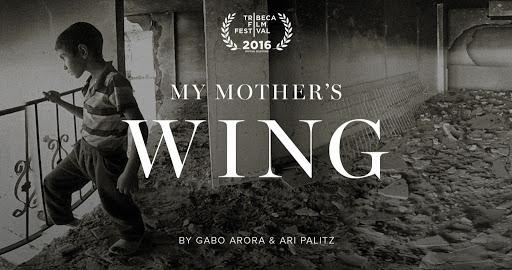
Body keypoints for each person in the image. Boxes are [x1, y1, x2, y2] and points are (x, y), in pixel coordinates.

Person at [42, 22, 148, 256]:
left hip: (107, 157)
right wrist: (59, 101)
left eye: (63, 57)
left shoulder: (114, 82)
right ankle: (69, 222)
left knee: (115, 201)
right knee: (53, 183)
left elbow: (139, 126)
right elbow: (90, 115)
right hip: (84, 150)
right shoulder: (91, 82)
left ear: (82, 52)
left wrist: (131, 170)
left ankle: (133, 236)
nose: (63, 65)